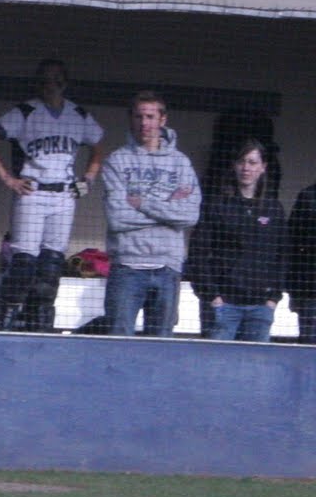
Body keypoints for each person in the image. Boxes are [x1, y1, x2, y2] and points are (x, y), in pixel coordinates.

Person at [0, 59, 104, 332]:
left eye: (57, 79)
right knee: (23, 266)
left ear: (65, 83)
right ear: (38, 83)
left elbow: (98, 145)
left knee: (50, 270)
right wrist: (7, 178)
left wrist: (89, 179)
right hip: (32, 192)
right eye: (45, 80)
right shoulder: (25, 112)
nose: (51, 85)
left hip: (64, 195)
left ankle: (39, 328)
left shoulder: (78, 115)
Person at [100, 91, 201, 338]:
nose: (144, 123)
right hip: (127, 267)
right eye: (139, 116)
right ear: (131, 119)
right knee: (117, 342)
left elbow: (189, 215)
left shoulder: (181, 163)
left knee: (160, 347)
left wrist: (142, 203)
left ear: (162, 119)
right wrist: (168, 207)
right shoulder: (117, 161)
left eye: (150, 116)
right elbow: (117, 216)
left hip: (168, 268)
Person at [190, 140, 286, 342]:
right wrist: (211, 296)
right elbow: (198, 252)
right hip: (224, 304)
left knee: (256, 368)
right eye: (242, 161)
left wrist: (273, 298)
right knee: (217, 366)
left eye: (252, 162)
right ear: (234, 165)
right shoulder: (216, 206)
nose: (246, 168)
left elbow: (282, 256)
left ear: (263, 167)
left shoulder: (273, 209)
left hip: (261, 307)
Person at [288, 180, 316, 343]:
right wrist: (294, 292)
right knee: (310, 345)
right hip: (310, 290)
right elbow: (293, 242)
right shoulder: (309, 197)